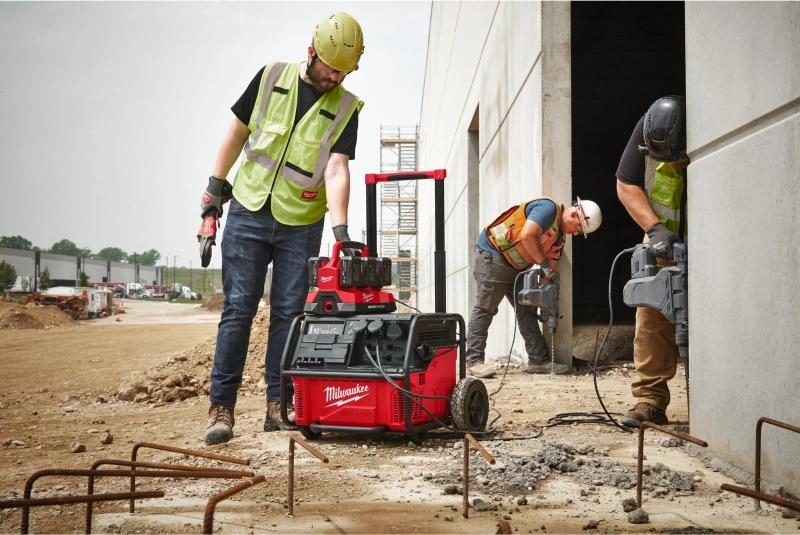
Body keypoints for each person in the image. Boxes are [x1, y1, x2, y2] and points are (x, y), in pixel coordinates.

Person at [202, 13, 365, 445]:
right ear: (311, 52)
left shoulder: (347, 108)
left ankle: (279, 405)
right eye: (330, 67)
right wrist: (214, 193)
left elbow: (336, 168)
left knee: (289, 317)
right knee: (238, 309)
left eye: (342, 70)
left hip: (301, 224)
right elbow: (236, 135)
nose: (334, 76)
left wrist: (342, 229)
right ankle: (223, 408)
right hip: (250, 212)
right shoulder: (271, 77)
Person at [465, 197, 602, 379]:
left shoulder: (559, 240)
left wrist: (545, 302)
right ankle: (474, 361)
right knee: (486, 308)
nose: (576, 233)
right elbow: (527, 235)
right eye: (579, 228)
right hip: (494, 255)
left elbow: (548, 273)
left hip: (517, 267)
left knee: (527, 309)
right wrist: (543, 263)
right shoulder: (548, 209)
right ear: (575, 215)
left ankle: (538, 360)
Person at [616, 96, 688, 428]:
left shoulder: (703, 121)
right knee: (652, 312)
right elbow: (626, 183)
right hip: (663, 237)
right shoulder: (647, 129)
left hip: (714, 239)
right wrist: (654, 229)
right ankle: (651, 399)